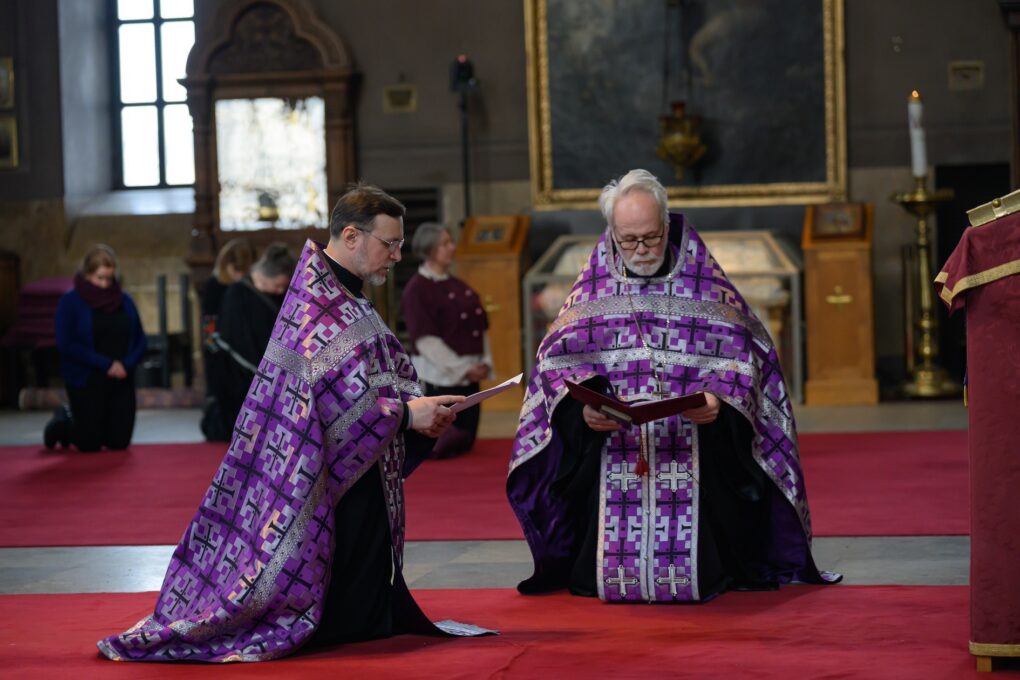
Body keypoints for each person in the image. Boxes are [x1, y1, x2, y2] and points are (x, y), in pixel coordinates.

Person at [98, 183, 490, 663]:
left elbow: (374, 377)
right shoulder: (317, 304)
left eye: (400, 243)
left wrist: (418, 412)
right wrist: (408, 414)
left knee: (365, 601)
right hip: (319, 475)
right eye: (390, 243)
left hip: (363, 472)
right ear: (351, 236)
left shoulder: (348, 296)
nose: (397, 255)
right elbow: (334, 402)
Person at [508, 169, 840, 603]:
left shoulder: (705, 286)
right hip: (613, 457)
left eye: (651, 237)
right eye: (628, 240)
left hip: (695, 454)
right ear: (611, 233)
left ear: (667, 225)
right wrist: (581, 411)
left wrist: (720, 401)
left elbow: (746, 356)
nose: (641, 249)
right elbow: (555, 367)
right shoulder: (591, 292)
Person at [400, 222, 492, 458]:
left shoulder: (458, 285)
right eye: (445, 243)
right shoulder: (417, 290)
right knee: (444, 449)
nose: (452, 247)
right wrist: (464, 368)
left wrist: (483, 363)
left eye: (451, 242)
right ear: (429, 249)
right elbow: (426, 342)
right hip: (440, 380)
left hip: (468, 379)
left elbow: (479, 327)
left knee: (466, 447)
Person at [44, 245, 147, 452]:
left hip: (120, 378)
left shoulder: (125, 300)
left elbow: (140, 339)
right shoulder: (70, 302)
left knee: (119, 442)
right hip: (87, 378)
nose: (105, 284)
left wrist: (126, 364)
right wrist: (106, 364)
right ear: (87, 274)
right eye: (100, 278)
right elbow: (66, 344)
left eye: (109, 278)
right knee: (89, 444)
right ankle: (62, 423)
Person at [200, 242, 295, 441]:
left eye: (244, 269)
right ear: (228, 266)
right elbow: (209, 327)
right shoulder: (218, 288)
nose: (241, 274)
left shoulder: (263, 289)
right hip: (224, 351)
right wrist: (213, 351)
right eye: (237, 270)